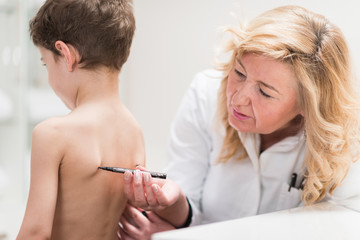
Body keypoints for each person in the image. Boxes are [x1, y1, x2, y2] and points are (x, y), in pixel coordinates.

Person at [118, 5, 360, 239]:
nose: (239, 99)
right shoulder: (205, 95)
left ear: (308, 105)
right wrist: (174, 200)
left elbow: (334, 231)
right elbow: (187, 211)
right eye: (239, 73)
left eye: (264, 93)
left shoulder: (344, 142)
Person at [16, 0, 144, 239]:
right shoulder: (134, 131)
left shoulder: (52, 134)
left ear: (65, 54)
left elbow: (35, 233)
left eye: (45, 63)